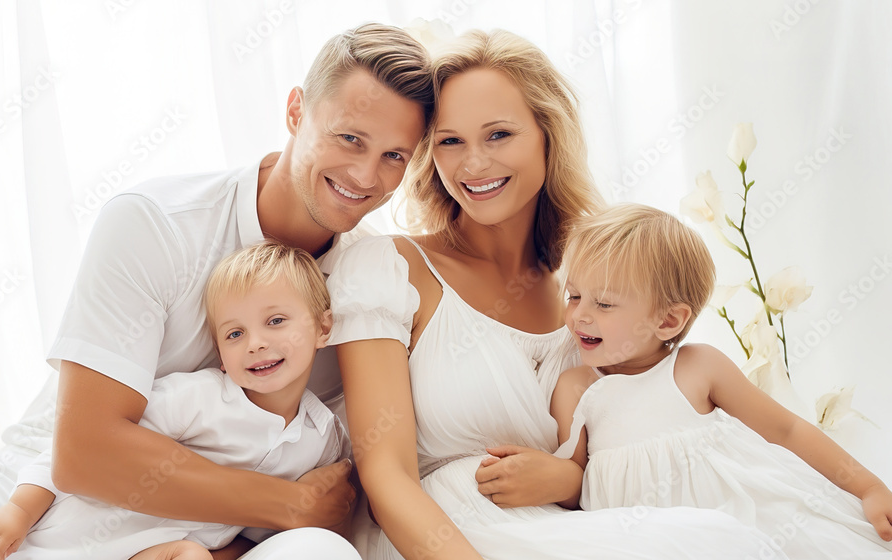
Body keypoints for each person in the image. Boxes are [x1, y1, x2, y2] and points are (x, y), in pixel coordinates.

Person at [0, 23, 432, 560]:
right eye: (350, 138)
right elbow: (83, 453)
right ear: (295, 111)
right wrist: (288, 505)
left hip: (203, 534)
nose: (365, 175)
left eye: (394, 157)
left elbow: (332, 483)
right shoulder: (157, 222)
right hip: (41, 490)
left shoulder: (366, 285)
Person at [327, 29, 786, 559]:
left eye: (498, 134)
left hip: (580, 529)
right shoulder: (390, 269)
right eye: (450, 141)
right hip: (443, 537)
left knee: (724, 540)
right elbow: (386, 481)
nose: (472, 164)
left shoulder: (598, 284)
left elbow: (638, 448)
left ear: (548, 135)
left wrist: (569, 484)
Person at [549, 203, 892, 559]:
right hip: (646, 541)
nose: (579, 315)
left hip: (747, 520)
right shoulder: (575, 389)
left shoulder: (697, 367)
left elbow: (787, 430)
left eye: (603, 304)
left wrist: (868, 486)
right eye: (573, 296)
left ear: (668, 321)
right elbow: (575, 485)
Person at [0, 242, 355, 560]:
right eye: (235, 333)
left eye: (275, 321)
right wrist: (20, 510)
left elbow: (263, 533)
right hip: (74, 543)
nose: (255, 343)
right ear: (221, 355)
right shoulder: (200, 396)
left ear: (322, 328)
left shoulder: (323, 438)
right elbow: (73, 451)